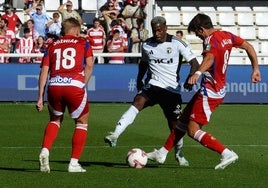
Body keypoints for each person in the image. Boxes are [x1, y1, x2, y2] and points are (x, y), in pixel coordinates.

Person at [146, 13, 261, 170]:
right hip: (214, 88)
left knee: (193, 130)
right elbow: (248, 46)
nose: (198, 37)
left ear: (201, 29)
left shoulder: (210, 40)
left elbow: (209, 59)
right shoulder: (226, 35)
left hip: (211, 91)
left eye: (197, 33)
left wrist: (197, 73)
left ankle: (226, 153)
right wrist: (255, 69)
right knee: (182, 121)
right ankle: (162, 153)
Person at [104, 16, 199, 166]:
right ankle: (115, 134)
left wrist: (191, 77)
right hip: (153, 85)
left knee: (175, 125)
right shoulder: (147, 45)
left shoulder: (177, 43)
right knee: (138, 101)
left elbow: (194, 62)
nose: (157, 33)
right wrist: (139, 79)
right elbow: (143, 63)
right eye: (155, 31)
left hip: (171, 90)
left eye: (160, 30)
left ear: (166, 28)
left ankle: (179, 153)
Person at [36, 17, 94, 173]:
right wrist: (83, 82)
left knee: (55, 120)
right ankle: (74, 163)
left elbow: (44, 71)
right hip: (74, 85)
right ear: (75, 30)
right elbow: (89, 64)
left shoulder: (52, 45)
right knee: (82, 122)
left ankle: (45, 151)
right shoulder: (84, 43)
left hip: (54, 85)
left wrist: (40, 96)